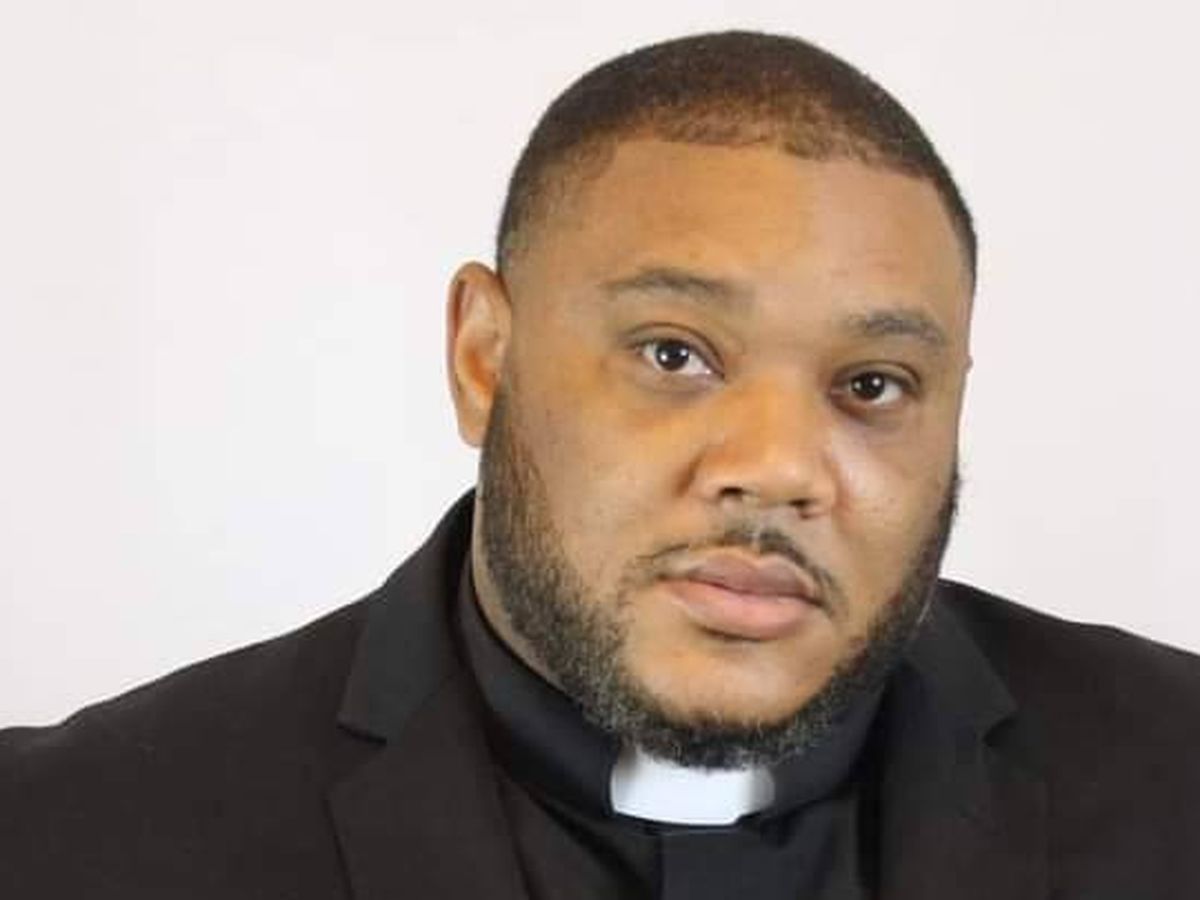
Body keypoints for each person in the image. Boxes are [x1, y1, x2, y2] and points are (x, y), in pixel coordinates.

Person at [2, 29, 1198, 900]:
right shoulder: (69, 837)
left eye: (873, 385)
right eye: (674, 354)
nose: (779, 468)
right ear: (484, 358)